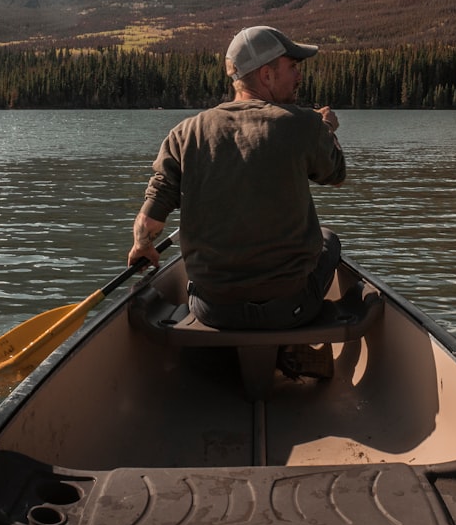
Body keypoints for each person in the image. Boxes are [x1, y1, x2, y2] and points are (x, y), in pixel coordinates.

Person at [128, 25, 346, 330]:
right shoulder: (305, 124)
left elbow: (149, 223)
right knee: (329, 240)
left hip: (212, 310)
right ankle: (291, 350)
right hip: (291, 307)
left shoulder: (185, 133)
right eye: (292, 67)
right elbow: (336, 175)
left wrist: (142, 246)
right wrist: (327, 132)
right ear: (266, 75)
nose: (299, 76)